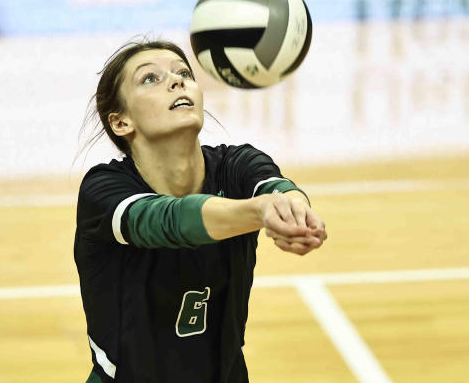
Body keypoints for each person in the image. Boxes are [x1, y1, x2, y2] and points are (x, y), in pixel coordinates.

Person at [75, 39, 327, 383]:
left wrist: (293, 211)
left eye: (184, 73)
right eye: (150, 78)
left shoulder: (237, 164)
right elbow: (169, 221)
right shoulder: (104, 191)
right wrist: (260, 211)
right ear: (121, 123)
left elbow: (277, 188)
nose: (177, 81)